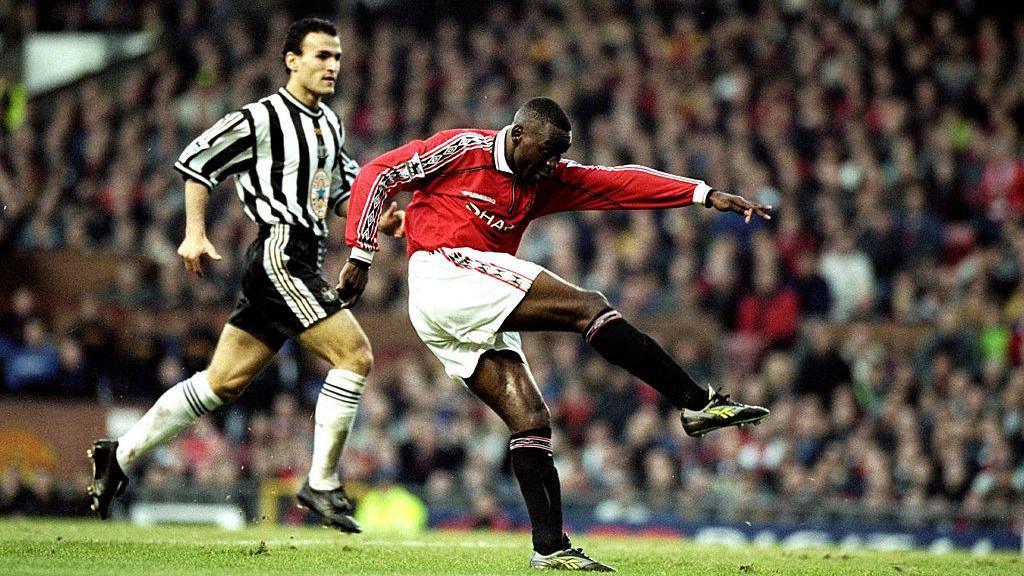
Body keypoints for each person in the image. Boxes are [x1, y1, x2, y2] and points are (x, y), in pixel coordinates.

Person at [338, 97, 771, 571]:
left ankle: (549, 548)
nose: (552, 164)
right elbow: (378, 174)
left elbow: (619, 181)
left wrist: (703, 194)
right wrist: (361, 254)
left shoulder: (547, 178)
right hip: (444, 273)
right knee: (590, 307)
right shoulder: (463, 149)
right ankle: (694, 401)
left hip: (460, 304)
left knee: (531, 421)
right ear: (518, 134)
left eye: (559, 154)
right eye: (546, 151)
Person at [86, 18, 405, 532]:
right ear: (291, 59)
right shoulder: (260, 118)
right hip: (280, 253)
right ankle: (321, 482)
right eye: (321, 56)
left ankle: (118, 455)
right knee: (355, 354)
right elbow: (196, 161)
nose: (332, 66)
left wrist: (379, 218)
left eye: (338, 57)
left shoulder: (330, 123)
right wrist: (194, 232)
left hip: (299, 255)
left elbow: (339, 192)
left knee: (221, 383)